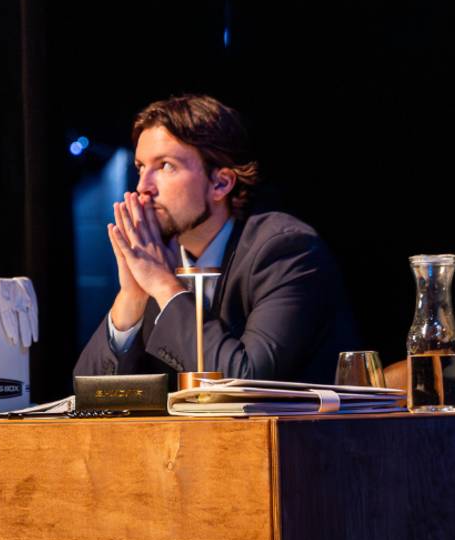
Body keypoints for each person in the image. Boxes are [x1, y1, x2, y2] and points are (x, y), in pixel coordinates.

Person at [74, 94, 358, 384]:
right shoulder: (159, 261)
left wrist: (164, 285)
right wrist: (131, 296)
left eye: (166, 166)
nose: (142, 187)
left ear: (220, 183)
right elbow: (89, 393)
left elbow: (249, 380)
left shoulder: (285, 250)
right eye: (140, 168)